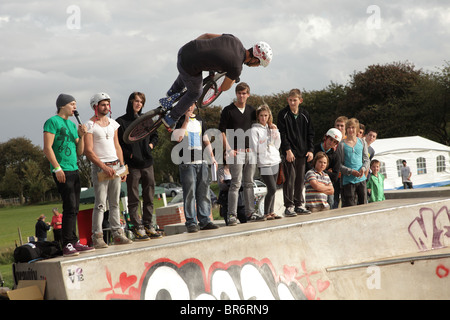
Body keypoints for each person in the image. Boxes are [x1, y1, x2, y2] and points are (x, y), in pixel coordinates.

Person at [160, 33, 272, 129]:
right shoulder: (236, 68)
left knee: (192, 71)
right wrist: (234, 79)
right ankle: (171, 118)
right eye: (258, 64)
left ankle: (171, 94)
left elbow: (206, 35)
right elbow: (223, 87)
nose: (256, 66)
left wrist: (196, 51)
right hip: (187, 65)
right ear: (255, 59)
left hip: (185, 50)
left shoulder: (235, 40)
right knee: (196, 92)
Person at [43, 93, 95, 256]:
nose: (75, 107)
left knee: (75, 207)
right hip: (62, 169)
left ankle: (74, 241)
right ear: (62, 105)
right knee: (69, 205)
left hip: (73, 169)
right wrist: (57, 168)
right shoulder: (52, 122)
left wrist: (82, 136)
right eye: (72, 104)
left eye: (75, 104)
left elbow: (80, 152)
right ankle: (67, 244)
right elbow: (47, 147)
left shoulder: (73, 125)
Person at [84, 92, 132, 248]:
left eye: (107, 104)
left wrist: (122, 167)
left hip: (115, 165)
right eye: (103, 104)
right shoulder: (89, 125)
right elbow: (89, 151)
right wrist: (103, 167)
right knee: (100, 204)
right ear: (95, 106)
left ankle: (118, 233)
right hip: (100, 167)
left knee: (115, 203)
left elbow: (117, 146)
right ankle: (97, 236)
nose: (106, 107)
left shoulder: (113, 124)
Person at [116, 92, 162, 240]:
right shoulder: (120, 122)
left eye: (141, 102)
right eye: (136, 101)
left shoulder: (146, 120)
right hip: (133, 166)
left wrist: (150, 145)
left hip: (148, 163)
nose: (138, 104)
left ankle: (149, 225)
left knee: (149, 196)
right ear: (130, 102)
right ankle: (137, 227)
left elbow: (155, 136)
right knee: (134, 197)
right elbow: (119, 145)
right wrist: (129, 155)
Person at [172, 103, 219, 233]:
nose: (189, 107)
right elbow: (178, 138)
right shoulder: (180, 119)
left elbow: (206, 139)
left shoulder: (199, 119)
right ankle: (191, 222)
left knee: (204, 193)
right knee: (189, 194)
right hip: (187, 162)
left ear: (194, 105)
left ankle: (205, 220)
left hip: (202, 160)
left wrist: (212, 157)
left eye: (191, 104)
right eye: (188, 103)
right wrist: (186, 121)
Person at [219, 82, 261, 225]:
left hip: (250, 153)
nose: (242, 96)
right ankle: (232, 215)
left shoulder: (251, 110)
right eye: (239, 93)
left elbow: (260, 126)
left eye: (244, 93)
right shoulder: (228, 110)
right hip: (236, 153)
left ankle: (251, 212)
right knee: (235, 184)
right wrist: (229, 149)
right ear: (236, 94)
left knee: (249, 183)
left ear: (248, 95)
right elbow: (221, 132)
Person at [277, 89, 315, 217]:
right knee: (290, 179)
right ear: (287, 100)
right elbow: (282, 134)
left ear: (300, 100)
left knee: (300, 179)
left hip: (302, 152)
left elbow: (310, 133)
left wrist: (310, 150)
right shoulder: (283, 114)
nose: (292, 103)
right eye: (290, 100)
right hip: (289, 152)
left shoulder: (305, 114)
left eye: (295, 100)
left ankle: (299, 204)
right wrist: (287, 150)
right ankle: (289, 206)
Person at [250, 104, 282, 220]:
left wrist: (276, 133)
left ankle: (271, 211)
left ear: (269, 116)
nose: (264, 118)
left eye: (266, 115)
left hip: (275, 160)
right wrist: (265, 140)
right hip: (264, 162)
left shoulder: (271, 128)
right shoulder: (254, 130)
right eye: (262, 116)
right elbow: (256, 148)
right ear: (258, 116)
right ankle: (265, 213)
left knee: (274, 189)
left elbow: (277, 145)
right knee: (272, 188)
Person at [336, 118, 370, 207]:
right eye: (349, 128)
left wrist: (363, 168)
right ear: (346, 129)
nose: (351, 130)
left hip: (361, 179)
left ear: (357, 129)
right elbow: (338, 165)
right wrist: (350, 171)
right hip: (348, 181)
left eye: (353, 128)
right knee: (350, 207)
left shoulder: (362, 142)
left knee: (364, 206)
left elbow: (366, 159)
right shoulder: (341, 145)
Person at [307, 128, 342, 207]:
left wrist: (321, 170)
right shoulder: (314, 149)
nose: (331, 143)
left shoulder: (336, 156)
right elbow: (308, 168)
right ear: (325, 138)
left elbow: (335, 177)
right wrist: (327, 171)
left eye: (335, 142)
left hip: (327, 186)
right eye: (330, 139)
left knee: (330, 204)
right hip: (312, 185)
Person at [331, 116, 348, 209]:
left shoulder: (349, 141)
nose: (339, 128)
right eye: (337, 125)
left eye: (342, 126)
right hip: (334, 176)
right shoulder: (330, 140)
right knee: (334, 201)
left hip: (346, 175)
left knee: (347, 201)